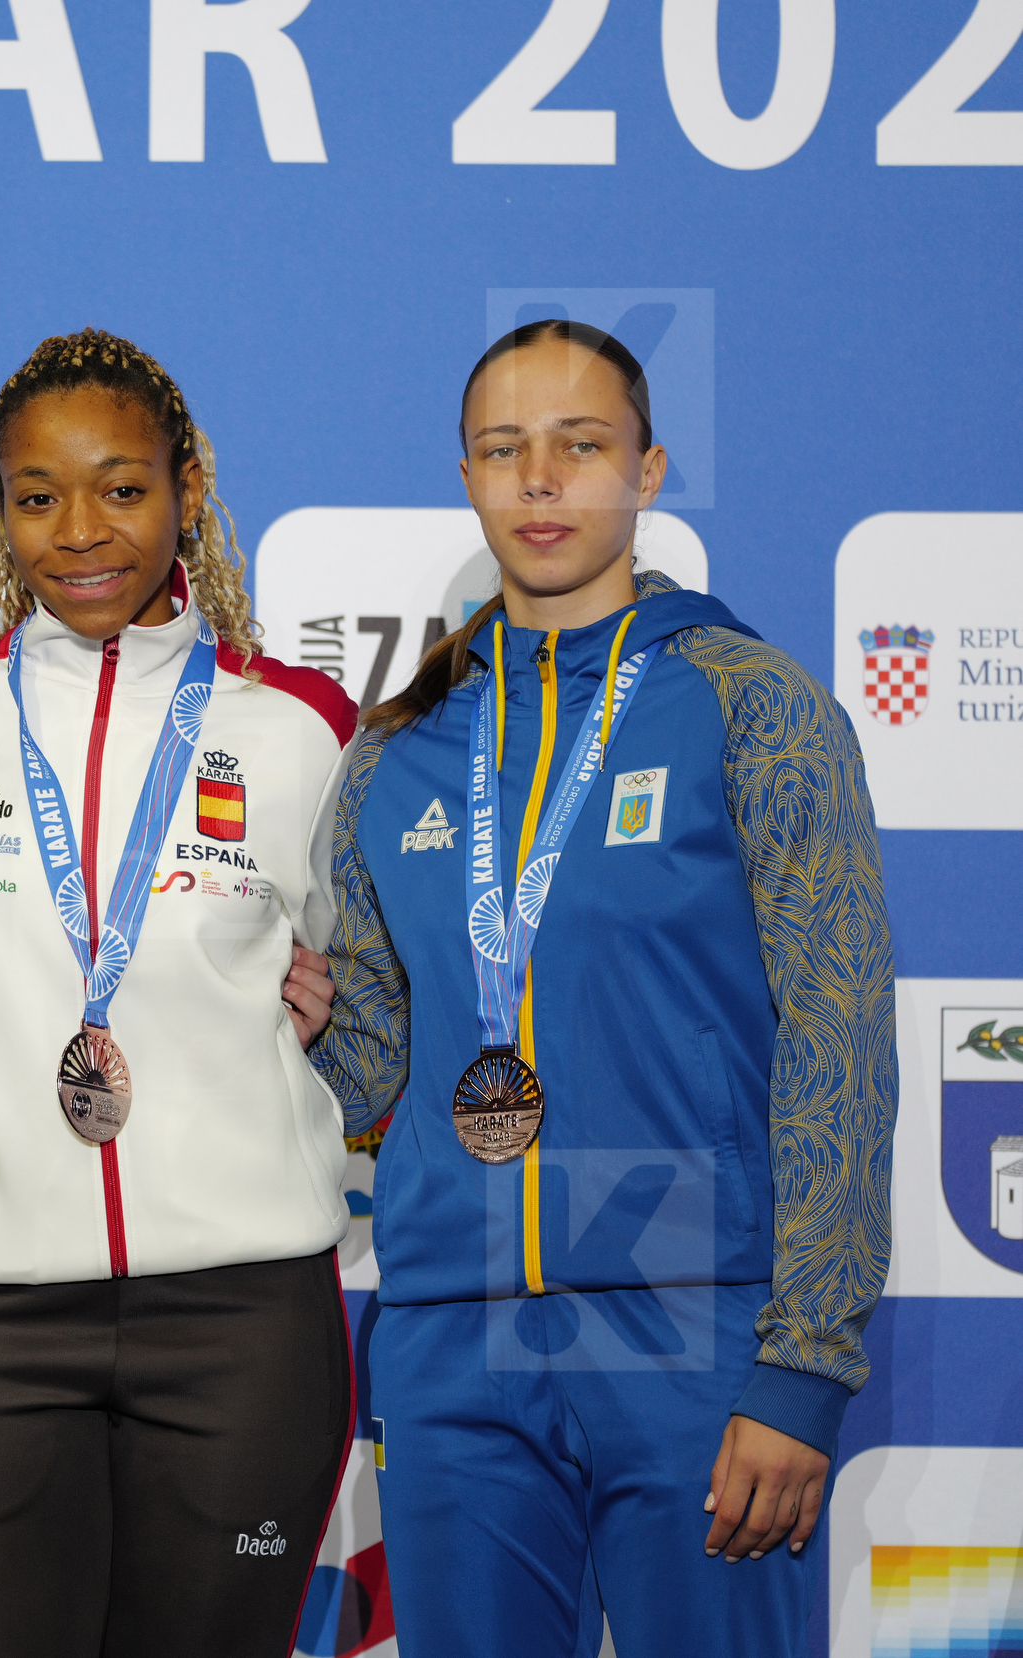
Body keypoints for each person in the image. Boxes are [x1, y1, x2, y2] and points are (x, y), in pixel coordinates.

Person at [305, 319, 895, 1656]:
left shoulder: (754, 706)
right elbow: (373, 1073)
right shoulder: (398, 748)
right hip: (453, 1348)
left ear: (649, 468)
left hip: (690, 1332)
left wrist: (801, 1363)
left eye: (582, 445)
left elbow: (838, 1043)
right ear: (466, 475)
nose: (543, 481)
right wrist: (294, 1018)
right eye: (506, 450)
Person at [0, 329, 359, 1656]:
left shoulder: (304, 724)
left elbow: (376, 987)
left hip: (243, 1319)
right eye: (37, 495)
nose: (79, 529)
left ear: (187, 484)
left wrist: (321, 1027)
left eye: (123, 486)